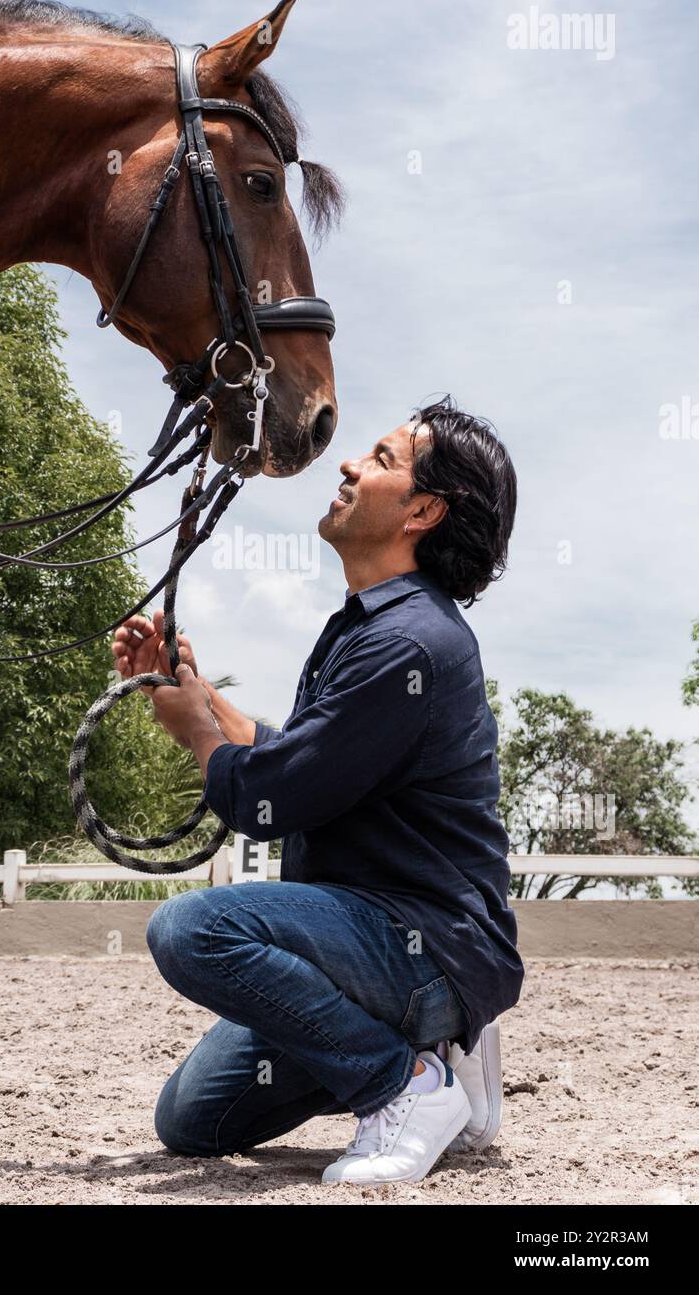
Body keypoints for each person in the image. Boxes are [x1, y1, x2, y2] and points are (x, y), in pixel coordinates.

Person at [112, 395, 523, 1186]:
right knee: (193, 1121)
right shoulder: (375, 628)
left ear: (425, 510)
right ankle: (426, 1047)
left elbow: (271, 799)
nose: (348, 463)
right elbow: (299, 759)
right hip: (367, 947)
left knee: (190, 931)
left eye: (380, 459)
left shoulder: (406, 642)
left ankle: (401, 1085)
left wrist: (197, 731)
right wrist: (194, 691)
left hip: (421, 946)